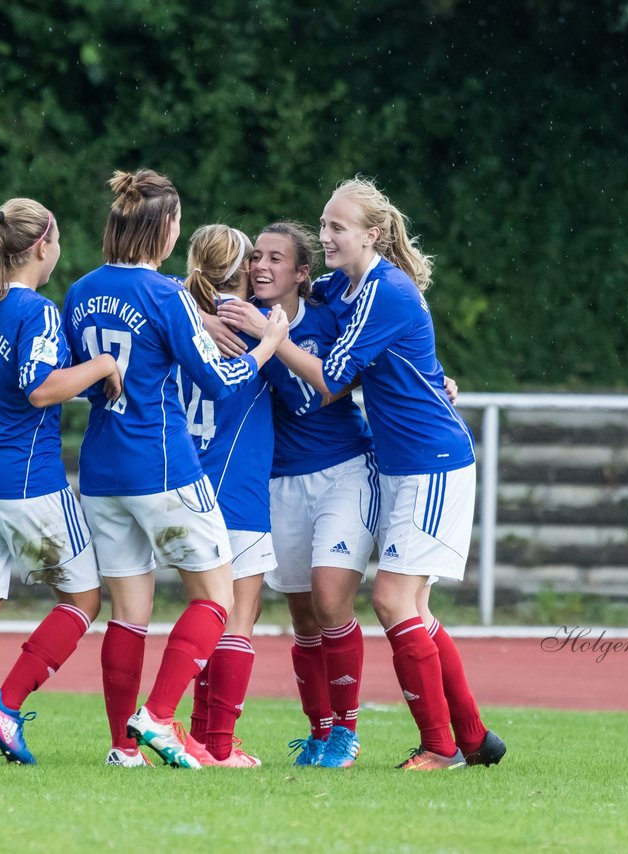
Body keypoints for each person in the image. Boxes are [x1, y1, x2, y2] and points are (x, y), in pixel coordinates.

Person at [222, 179, 506, 770]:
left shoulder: (384, 290)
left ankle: (439, 747)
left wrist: (266, 337)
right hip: (399, 462)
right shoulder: (342, 286)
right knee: (415, 611)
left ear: (371, 235)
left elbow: (329, 380)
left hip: (431, 460)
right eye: (323, 226)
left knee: (393, 601)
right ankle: (473, 737)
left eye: (337, 228)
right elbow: (310, 301)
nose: (325, 237)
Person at [62, 170, 288, 769]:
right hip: (161, 466)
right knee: (216, 598)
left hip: (102, 471)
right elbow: (220, 377)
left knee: (129, 612)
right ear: (163, 228)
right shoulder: (167, 296)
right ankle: (159, 716)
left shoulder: (80, 290)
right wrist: (266, 347)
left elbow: (75, 373)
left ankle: (122, 748)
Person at [0, 197, 122, 766]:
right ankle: (6, 706)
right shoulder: (36, 310)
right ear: (44, 246)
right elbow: (41, 388)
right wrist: (104, 365)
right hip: (25, 481)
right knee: (82, 599)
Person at [177, 224, 275, 767]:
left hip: (185, 482)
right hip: (235, 486)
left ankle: (194, 738)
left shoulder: (180, 312)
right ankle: (218, 744)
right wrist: (273, 338)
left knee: (204, 613)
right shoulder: (251, 325)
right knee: (238, 617)